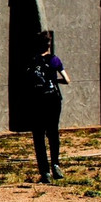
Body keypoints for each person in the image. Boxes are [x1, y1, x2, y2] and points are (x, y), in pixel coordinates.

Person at [29, 31, 70, 183]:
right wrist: (54, 81)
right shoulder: (55, 60)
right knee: (53, 132)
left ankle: (45, 172)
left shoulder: (33, 61)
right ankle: (56, 164)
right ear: (49, 45)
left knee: (39, 136)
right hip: (54, 99)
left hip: (38, 101)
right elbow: (67, 79)